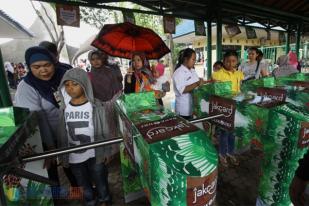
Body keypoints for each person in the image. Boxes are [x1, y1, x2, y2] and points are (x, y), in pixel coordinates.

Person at [14, 46, 77, 198]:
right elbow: (37, 119)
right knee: (51, 175)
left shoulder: (64, 75)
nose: (43, 70)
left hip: (69, 133)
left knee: (74, 168)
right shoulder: (27, 87)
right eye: (36, 67)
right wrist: (49, 147)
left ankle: (79, 193)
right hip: (43, 138)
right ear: (29, 67)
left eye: (47, 65)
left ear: (54, 63)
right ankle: (56, 199)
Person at [57, 68, 113, 206]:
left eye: (75, 84)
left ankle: (104, 199)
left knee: (100, 179)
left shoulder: (95, 106)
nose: (70, 88)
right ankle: (90, 201)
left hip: (95, 153)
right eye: (67, 84)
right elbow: (61, 132)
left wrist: (106, 150)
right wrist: (62, 154)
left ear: (84, 84)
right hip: (74, 156)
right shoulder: (64, 108)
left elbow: (104, 129)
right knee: (82, 183)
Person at [212, 50, 244, 167]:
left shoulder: (239, 73)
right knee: (224, 133)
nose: (231, 64)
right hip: (224, 108)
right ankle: (222, 154)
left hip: (236, 106)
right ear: (223, 61)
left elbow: (240, 89)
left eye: (233, 61)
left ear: (237, 61)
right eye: (228, 61)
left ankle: (231, 153)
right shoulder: (217, 74)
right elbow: (217, 92)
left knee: (233, 133)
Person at [88, 50, 122, 155]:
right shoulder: (88, 75)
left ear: (102, 59)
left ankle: (121, 149)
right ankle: (111, 151)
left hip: (113, 103)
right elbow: (89, 93)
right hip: (99, 107)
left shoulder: (110, 71)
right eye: (92, 59)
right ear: (89, 61)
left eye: (98, 58)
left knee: (117, 126)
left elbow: (118, 88)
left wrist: (113, 102)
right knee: (105, 128)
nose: (96, 62)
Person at [172, 48, 204, 120]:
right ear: (186, 59)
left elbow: (198, 82)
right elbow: (183, 89)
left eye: (195, 59)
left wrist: (209, 81)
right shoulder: (178, 73)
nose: (194, 62)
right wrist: (197, 83)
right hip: (183, 110)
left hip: (192, 107)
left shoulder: (192, 70)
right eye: (193, 59)